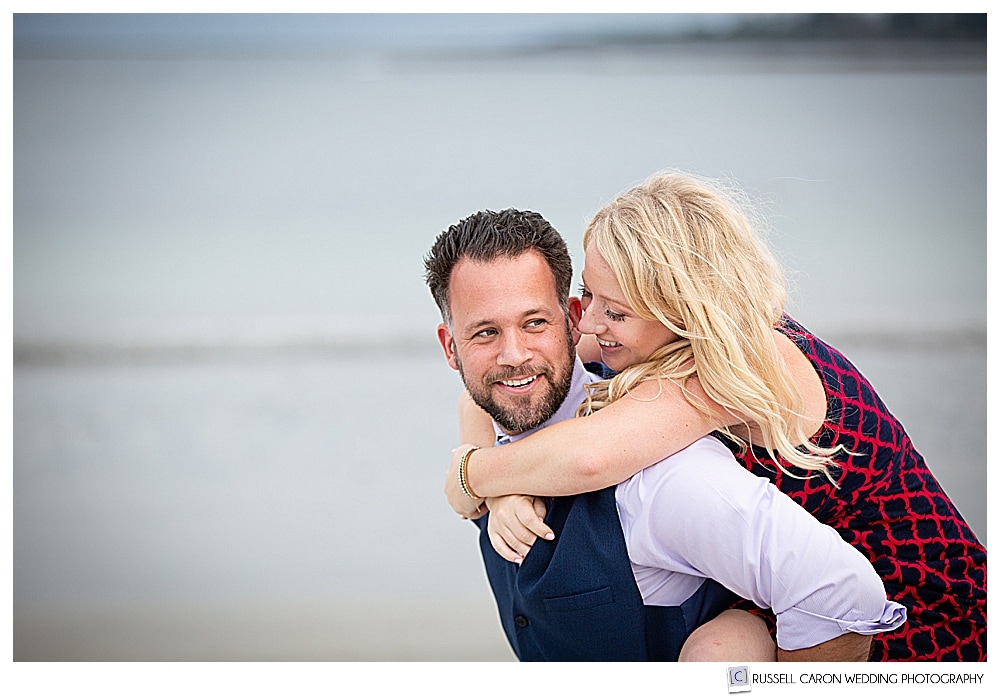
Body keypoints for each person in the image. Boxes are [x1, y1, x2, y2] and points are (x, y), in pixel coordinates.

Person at [444, 172, 987, 661]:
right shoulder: (652, 334)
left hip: (917, 611)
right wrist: (501, 483)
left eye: (614, 310)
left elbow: (590, 458)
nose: (590, 323)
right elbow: (499, 381)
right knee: (720, 646)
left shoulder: (727, 366)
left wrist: (471, 475)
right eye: (590, 295)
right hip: (784, 588)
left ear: (680, 309)